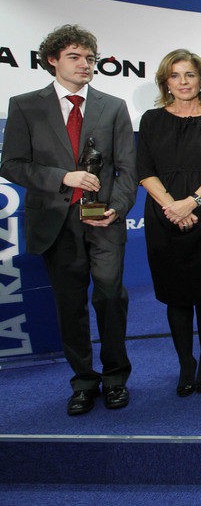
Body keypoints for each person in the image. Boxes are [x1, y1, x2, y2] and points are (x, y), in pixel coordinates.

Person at [0, 25, 137, 415]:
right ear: (53, 60)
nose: (85, 65)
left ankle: (115, 379)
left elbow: (127, 168)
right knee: (70, 304)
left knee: (111, 298)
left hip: (105, 220)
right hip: (56, 222)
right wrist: (62, 176)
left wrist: (119, 207)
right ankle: (82, 381)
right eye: (75, 57)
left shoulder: (112, 106)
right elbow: (10, 164)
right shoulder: (25, 105)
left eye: (90, 59)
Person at [137, 49, 201, 397]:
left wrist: (191, 203)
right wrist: (172, 207)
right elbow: (144, 170)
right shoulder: (151, 119)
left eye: (189, 75)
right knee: (176, 295)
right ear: (166, 81)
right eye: (175, 76)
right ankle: (185, 364)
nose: (183, 82)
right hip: (164, 217)